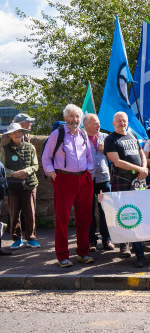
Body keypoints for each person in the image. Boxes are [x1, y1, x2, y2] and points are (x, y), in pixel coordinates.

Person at [42, 104, 94, 268]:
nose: (74, 119)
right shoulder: (56, 135)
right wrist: (54, 176)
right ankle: (63, 256)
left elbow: (89, 157)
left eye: (77, 116)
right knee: (62, 219)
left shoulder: (84, 134)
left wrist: (89, 175)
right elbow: (46, 158)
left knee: (85, 218)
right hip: (64, 179)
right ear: (65, 118)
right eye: (71, 116)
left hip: (84, 179)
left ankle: (83, 252)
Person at [104, 111, 149, 258]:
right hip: (122, 178)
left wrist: (144, 168)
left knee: (140, 210)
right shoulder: (110, 139)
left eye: (124, 121)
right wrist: (139, 169)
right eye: (119, 121)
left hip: (138, 179)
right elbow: (117, 162)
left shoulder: (133, 135)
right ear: (113, 123)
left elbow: (141, 153)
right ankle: (124, 246)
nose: (122, 123)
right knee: (123, 211)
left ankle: (140, 243)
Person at [1, 123, 39, 250]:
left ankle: (31, 238)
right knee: (14, 213)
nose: (17, 134)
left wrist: (26, 171)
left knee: (30, 212)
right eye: (14, 132)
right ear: (10, 135)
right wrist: (14, 173)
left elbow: (35, 165)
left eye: (19, 132)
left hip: (30, 184)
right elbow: (2, 167)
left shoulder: (30, 147)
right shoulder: (4, 149)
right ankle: (17, 239)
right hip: (12, 185)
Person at [83, 113, 114, 251]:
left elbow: (114, 157)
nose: (99, 125)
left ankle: (107, 239)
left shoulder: (105, 137)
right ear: (86, 124)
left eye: (99, 123)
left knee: (105, 209)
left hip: (103, 178)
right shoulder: (80, 137)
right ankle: (91, 241)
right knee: (88, 210)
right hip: (87, 178)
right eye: (95, 123)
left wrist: (105, 150)